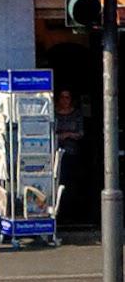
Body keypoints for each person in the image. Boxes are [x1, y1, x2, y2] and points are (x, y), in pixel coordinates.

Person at [55, 88, 84, 217]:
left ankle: (72, 211)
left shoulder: (76, 114)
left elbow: (80, 133)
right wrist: (61, 136)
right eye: (62, 97)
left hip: (72, 152)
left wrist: (68, 135)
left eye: (67, 97)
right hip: (57, 153)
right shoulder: (54, 114)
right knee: (59, 181)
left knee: (72, 182)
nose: (64, 100)